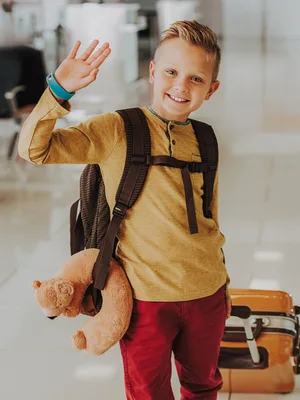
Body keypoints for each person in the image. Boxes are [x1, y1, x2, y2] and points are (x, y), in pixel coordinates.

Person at [18, 20, 232, 400]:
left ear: (211, 89)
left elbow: (207, 218)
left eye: (196, 79)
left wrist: (222, 286)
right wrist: (57, 90)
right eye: (171, 72)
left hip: (206, 294)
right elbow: (35, 150)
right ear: (152, 72)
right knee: (148, 392)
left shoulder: (205, 139)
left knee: (203, 386)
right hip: (146, 300)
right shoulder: (117, 129)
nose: (181, 85)